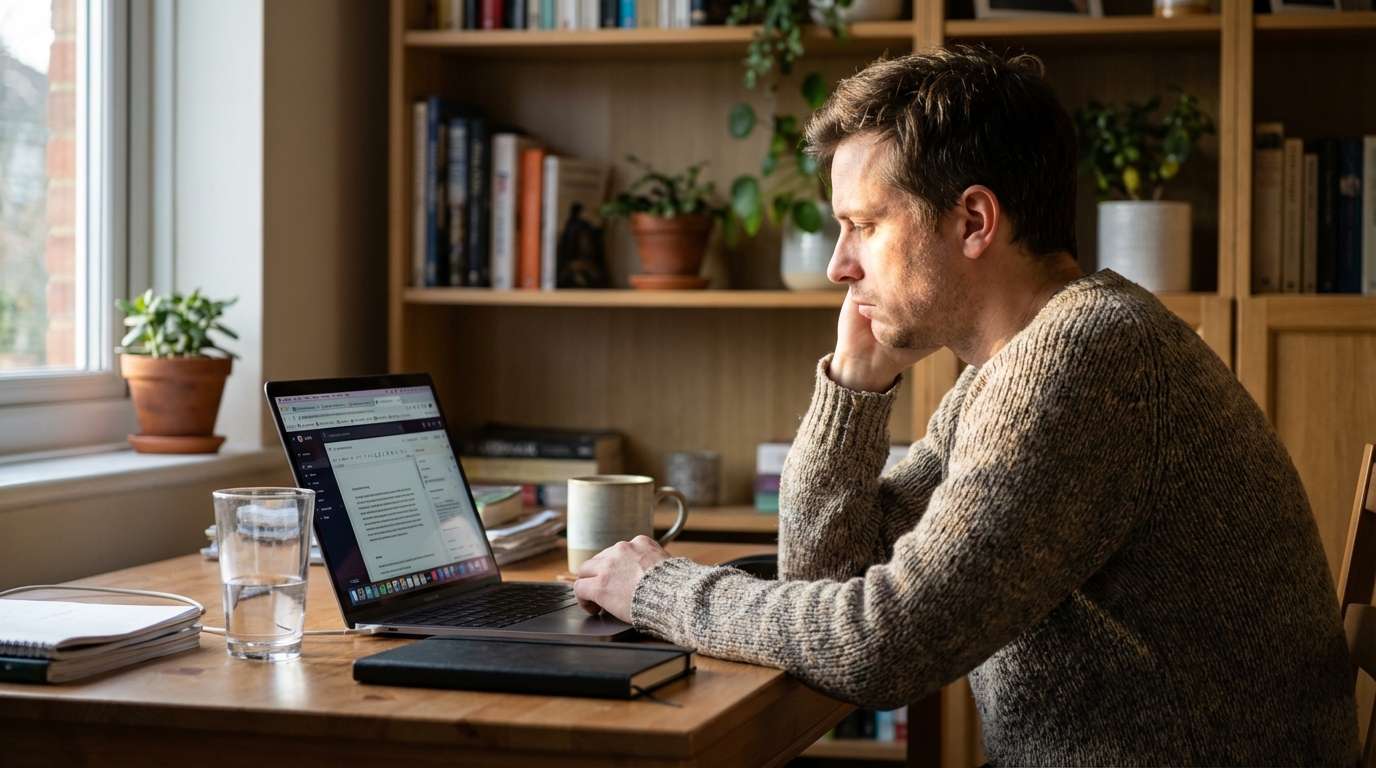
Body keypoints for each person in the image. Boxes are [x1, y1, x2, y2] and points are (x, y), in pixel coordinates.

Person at [572, 47, 1358, 765]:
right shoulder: (1008, 366)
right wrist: (853, 383)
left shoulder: (1085, 358)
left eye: (865, 226)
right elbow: (829, 573)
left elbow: (879, 648)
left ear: (974, 221)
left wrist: (659, 589)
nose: (841, 265)